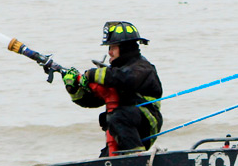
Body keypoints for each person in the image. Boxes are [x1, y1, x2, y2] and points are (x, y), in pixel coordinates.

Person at [63, 21, 163, 156]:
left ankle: (136, 159)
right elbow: (93, 101)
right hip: (122, 129)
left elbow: (125, 79)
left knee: (119, 115)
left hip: (145, 123)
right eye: (109, 48)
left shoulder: (143, 67)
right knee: (105, 158)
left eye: (113, 47)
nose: (109, 52)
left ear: (126, 48)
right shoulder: (114, 72)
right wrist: (73, 89)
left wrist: (91, 74)